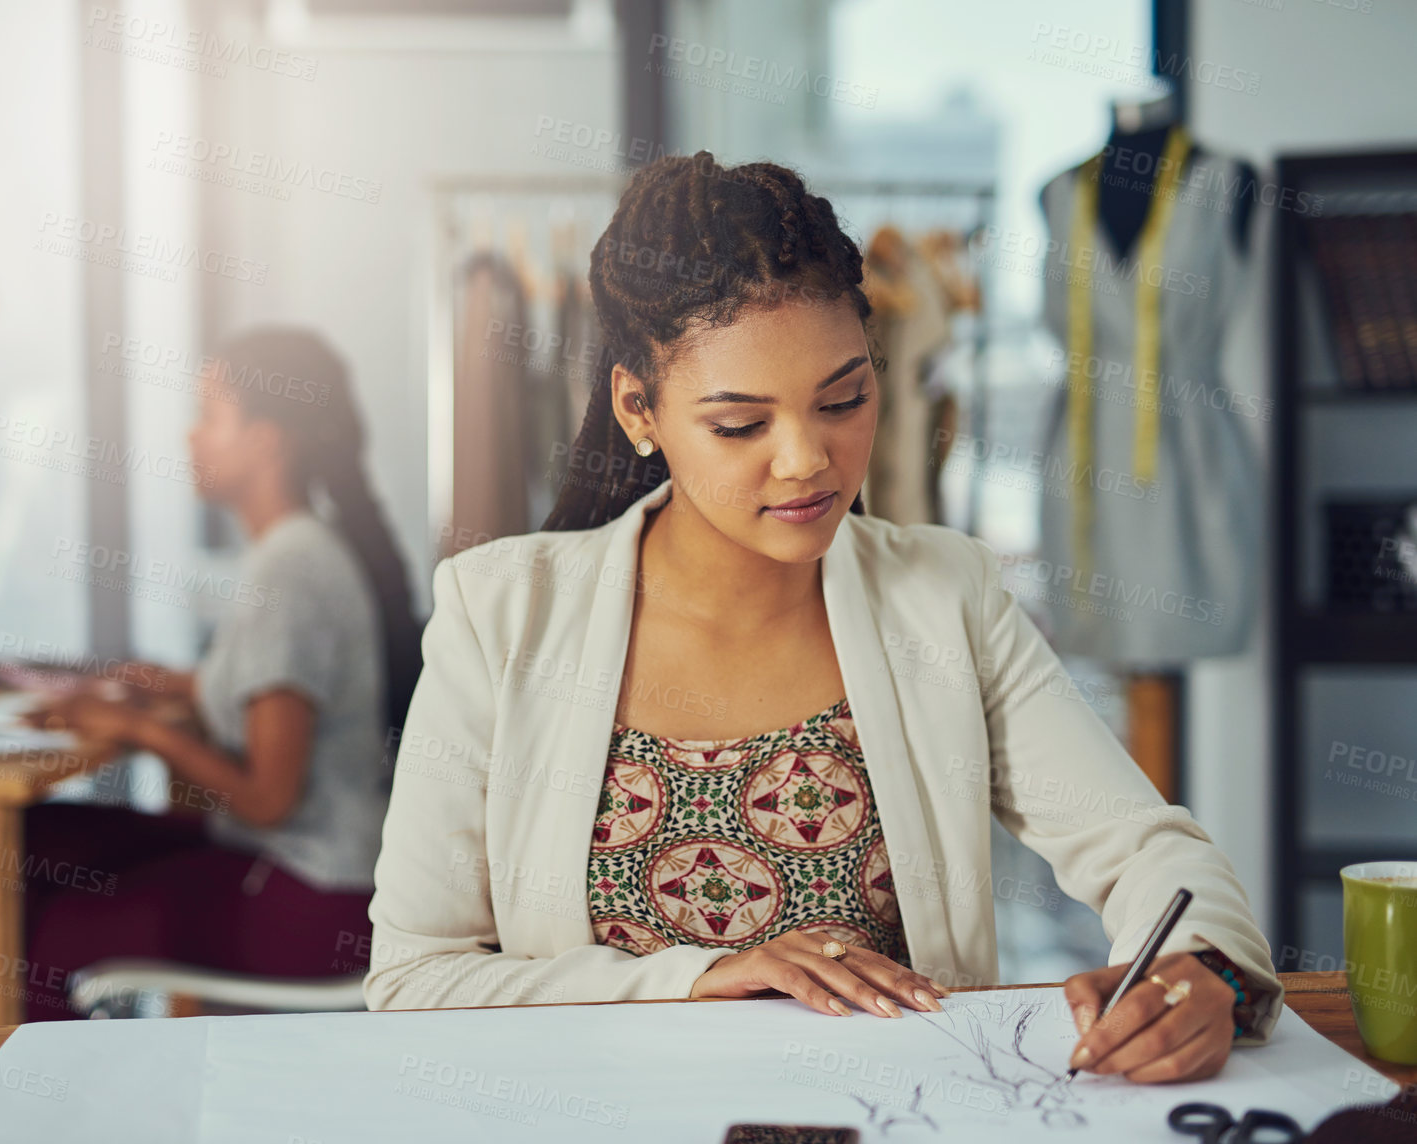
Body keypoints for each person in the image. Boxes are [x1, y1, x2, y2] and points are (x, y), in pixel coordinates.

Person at [365, 152, 1280, 1086]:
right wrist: (702, 977)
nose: (808, 460)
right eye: (740, 425)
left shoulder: (943, 595)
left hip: (896, 1119)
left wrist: (1202, 970)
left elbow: (1139, 845)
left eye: (842, 400)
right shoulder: (500, 613)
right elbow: (416, 978)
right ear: (639, 408)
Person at [0, 326, 419, 1024]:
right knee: (34, 843)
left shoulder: (291, 569)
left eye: (210, 415)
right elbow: (273, 688)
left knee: (36, 932)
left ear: (266, 440)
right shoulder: (296, 551)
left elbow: (267, 797)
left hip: (308, 900)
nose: (190, 436)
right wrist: (176, 685)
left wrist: (135, 727)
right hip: (296, 872)